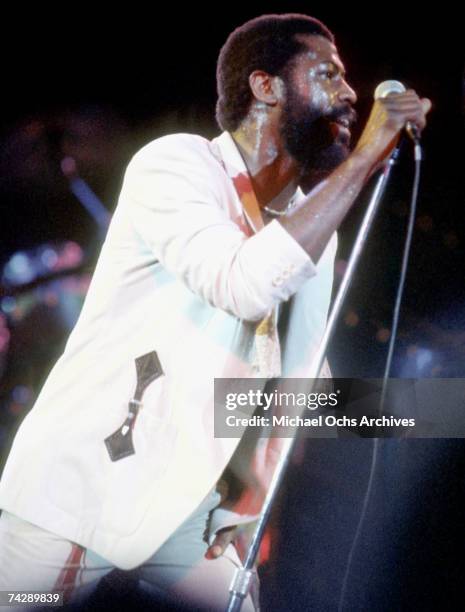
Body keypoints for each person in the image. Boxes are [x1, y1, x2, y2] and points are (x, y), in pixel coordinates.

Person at [0, 13, 430, 612]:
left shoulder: (310, 225)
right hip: (79, 491)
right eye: (328, 74)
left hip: (178, 506)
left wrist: (429, 411)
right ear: (266, 87)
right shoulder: (177, 165)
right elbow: (242, 283)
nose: (351, 94)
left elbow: (300, 382)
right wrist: (362, 163)